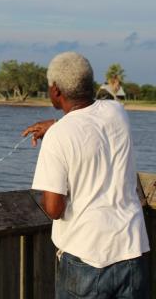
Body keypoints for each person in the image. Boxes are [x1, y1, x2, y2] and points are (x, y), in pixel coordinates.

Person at [22, 52, 150, 298]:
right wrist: (56, 125)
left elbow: (54, 209)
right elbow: (89, 122)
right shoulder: (117, 112)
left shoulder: (59, 136)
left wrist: (56, 129)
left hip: (87, 259)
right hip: (131, 252)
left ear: (56, 91)